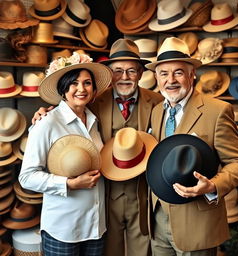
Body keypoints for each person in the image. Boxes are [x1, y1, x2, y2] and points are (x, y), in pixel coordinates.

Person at [32, 38, 163, 256]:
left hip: (143, 195)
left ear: (141, 73)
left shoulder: (158, 102)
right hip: (103, 200)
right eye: (118, 70)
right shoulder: (93, 100)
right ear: (110, 73)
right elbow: (67, 106)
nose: (124, 77)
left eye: (131, 71)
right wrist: (44, 113)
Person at [145, 36, 238, 256]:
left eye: (178, 72)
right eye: (164, 73)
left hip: (197, 224)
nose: (170, 80)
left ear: (192, 74)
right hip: (159, 219)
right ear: (156, 77)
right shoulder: (156, 112)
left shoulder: (217, 110)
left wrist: (212, 186)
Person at [19, 52, 113, 256]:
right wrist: (69, 184)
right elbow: (27, 177)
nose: (81, 89)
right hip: (63, 228)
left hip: (96, 227)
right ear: (63, 89)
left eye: (87, 83)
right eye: (73, 83)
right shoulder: (47, 123)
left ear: (94, 89)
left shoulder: (95, 121)